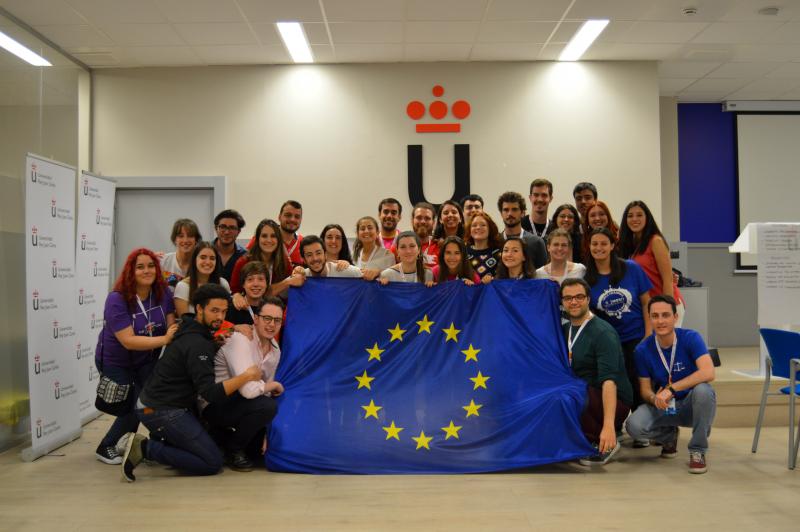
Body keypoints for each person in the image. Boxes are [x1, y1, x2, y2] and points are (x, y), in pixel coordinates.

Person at [121, 284, 263, 481]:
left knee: (214, 445)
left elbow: (192, 358)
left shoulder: (190, 328)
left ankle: (167, 441)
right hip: (160, 410)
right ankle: (145, 448)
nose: (220, 317)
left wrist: (213, 344)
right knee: (212, 462)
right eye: (214, 310)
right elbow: (210, 393)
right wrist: (246, 376)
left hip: (158, 404)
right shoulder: (198, 343)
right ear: (199, 309)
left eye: (223, 311)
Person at [93, 248, 178, 465]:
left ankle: (137, 442)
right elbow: (128, 341)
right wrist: (164, 339)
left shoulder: (163, 293)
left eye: (151, 266)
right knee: (132, 407)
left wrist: (171, 334)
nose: (146, 271)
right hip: (117, 361)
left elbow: (171, 324)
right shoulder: (117, 299)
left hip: (146, 360)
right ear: (131, 272)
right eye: (140, 267)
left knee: (146, 403)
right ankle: (106, 446)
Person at [626, 295, 716, 474]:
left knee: (704, 391)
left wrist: (672, 389)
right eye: (655, 316)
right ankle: (668, 436)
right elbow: (645, 390)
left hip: (692, 405)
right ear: (649, 318)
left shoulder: (691, 338)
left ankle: (698, 450)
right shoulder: (642, 350)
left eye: (665, 315)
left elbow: (708, 372)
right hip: (665, 407)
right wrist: (654, 398)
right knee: (633, 426)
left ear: (675, 317)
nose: (660, 321)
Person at [204, 297, 286, 472]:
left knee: (256, 451)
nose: (272, 324)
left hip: (241, 403)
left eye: (277, 320)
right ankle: (233, 450)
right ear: (256, 319)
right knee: (267, 406)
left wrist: (266, 432)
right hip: (215, 402)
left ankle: (221, 438)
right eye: (267, 318)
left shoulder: (275, 349)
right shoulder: (241, 339)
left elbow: (262, 392)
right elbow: (248, 391)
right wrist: (274, 385)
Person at [560, 278, 632, 466]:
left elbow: (609, 382)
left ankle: (605, 437)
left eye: (579, 297)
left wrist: (608, 425)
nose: (573, 302)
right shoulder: (564, 330)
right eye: (568, 298)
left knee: (567, 397)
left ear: (588, 299)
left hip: (612, 398)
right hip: (581, 391)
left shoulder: (603, 333)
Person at [584, 227, 652, 411]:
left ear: (613, 245)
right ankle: (615, 423)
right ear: (589, 246)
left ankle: (641, 425)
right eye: (594, 244)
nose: (599, 248)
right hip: (609, 341)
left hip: (636, 337)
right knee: (615, 386)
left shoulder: (631, 268)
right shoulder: (587, 277)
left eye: (604, 243)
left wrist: (648, 334)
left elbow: (647, 302)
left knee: (638, 384)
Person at [618, 200, 685, 326]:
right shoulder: (632, 245)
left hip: (666, 305)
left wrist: (667, 308)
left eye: (639, 215)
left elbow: (668, 279)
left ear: (647, 218)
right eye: (630, 216)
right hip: (649, 308)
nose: (634, 219)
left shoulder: (656, 241)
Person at [230, 219, 302, 299]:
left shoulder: (284, 262)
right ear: (257, 239)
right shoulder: (243, 262)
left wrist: (298, 273)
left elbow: (290, 289)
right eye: (264, 236)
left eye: (273, 236)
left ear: (278, 239)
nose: (269, 240)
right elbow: (234, 291)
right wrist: (236, 295)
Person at [173, 242, 231, 317]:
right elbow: (185, 321)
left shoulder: (223, 283)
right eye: (203, 257)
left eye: (212, 258)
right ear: (194, 260)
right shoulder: (183, 287)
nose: (208, 262)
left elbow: (227, 315)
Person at [497, 191, 547, 268]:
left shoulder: (536, 243)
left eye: (514, 209)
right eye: (506, 210)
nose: (510, 213)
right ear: (501, 213)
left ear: (523, 213)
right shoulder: (494, 241)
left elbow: (542, 273)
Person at [392, 202, 439, 267]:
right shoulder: (398, 247)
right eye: (419, 218)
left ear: (433, 222)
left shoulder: (441, 247)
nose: (423, 221)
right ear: (412, 220)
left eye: (427, 218)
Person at [352, 216, 396, 281]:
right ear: (357, 234)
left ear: (377, 232)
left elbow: (393, 277)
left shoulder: (387, 255)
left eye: (370, 228)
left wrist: (379, 273)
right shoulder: (353, 255)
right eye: (362, 229)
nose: (366, 231)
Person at [464, 211, 503, 284]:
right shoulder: (463, 252)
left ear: (490, 229)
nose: (478, 227)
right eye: (474, 225)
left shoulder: (499, 253)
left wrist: (493, 280)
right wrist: (465, 281)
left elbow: (503, 277)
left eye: (483, 225)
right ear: (470, 230)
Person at [225, 261, 268, 327]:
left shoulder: (272, 307)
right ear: (243, 284)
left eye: (260, 279)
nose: (256, 284)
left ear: (266, 283)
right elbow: (220, 330)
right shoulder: (232, 307)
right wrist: (234, 328)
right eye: (250, 279)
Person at [297, 235, 363, 278]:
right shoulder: (302, 276)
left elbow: (363, 274)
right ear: (304, 260)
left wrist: (369, 274)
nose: (315, 258)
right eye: (309, 255)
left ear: (325, 255)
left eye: (318, 253)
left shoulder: (343, 270)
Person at [160, 218, 201, 287]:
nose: (185, 240)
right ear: (175, 239)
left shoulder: (201, 263)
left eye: (190, 236)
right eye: (181, 236)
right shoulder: (163, 261)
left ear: (196, 240)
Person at [212, 209, 247, 283]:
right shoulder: (204, 252)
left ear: (238, 232)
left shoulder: (244, 256)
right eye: (223, 227)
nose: (227, 232)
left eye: (232, 228)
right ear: (216, 228)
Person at [278, 200, 304, 268]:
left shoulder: (304, 243)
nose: (292, 219)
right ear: (279, 217)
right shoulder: (265, 239)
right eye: (288, 215)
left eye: (297, 217)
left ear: (301, 220)